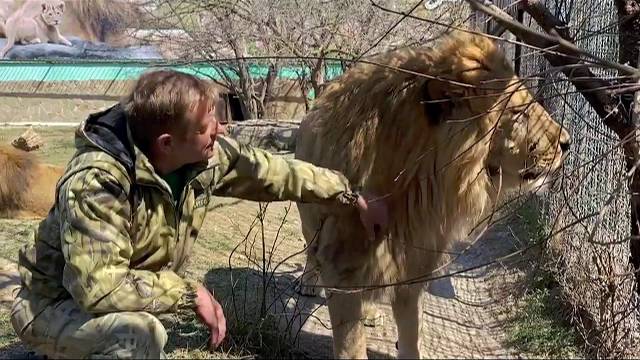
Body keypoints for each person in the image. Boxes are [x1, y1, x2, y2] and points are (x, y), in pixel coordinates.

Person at [10, 69, 388, 359]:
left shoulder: (201, 157)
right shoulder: (98, 183)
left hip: (101, 298)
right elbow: (99, 288)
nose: (222, 131)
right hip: (52, 305)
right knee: (138, 334)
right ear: (168, 143)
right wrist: (191, 293)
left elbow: (276, 173)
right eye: (209, 127)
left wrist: (351, 195)